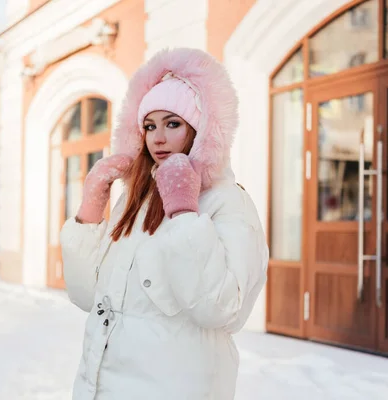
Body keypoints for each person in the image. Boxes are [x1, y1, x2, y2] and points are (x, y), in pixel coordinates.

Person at [59, 47, 268, 400]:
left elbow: (222, 310)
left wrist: (184, 213)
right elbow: (87, 296)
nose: (158, 138)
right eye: (149, 126)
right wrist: (91, 207)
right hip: (103, 385)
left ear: (199, 129)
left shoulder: (229, 201)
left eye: (173, 124)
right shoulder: (135, 200)